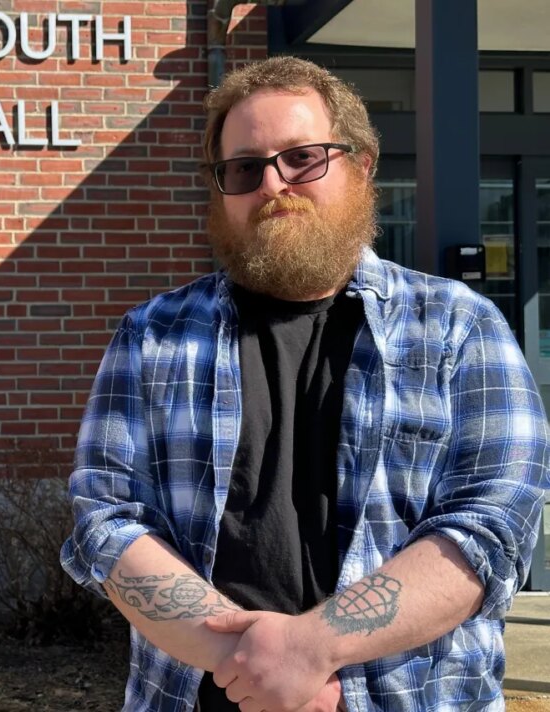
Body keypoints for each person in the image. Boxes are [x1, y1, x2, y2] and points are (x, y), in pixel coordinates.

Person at [60, 56, 550, 712]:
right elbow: (108, 520)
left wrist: (314, 650)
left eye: (302, 158)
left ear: (362, 166)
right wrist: (257, 665)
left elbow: (492, 527)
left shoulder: (460, 328)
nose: (272, 184)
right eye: (245, 168)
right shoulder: (152, 336)